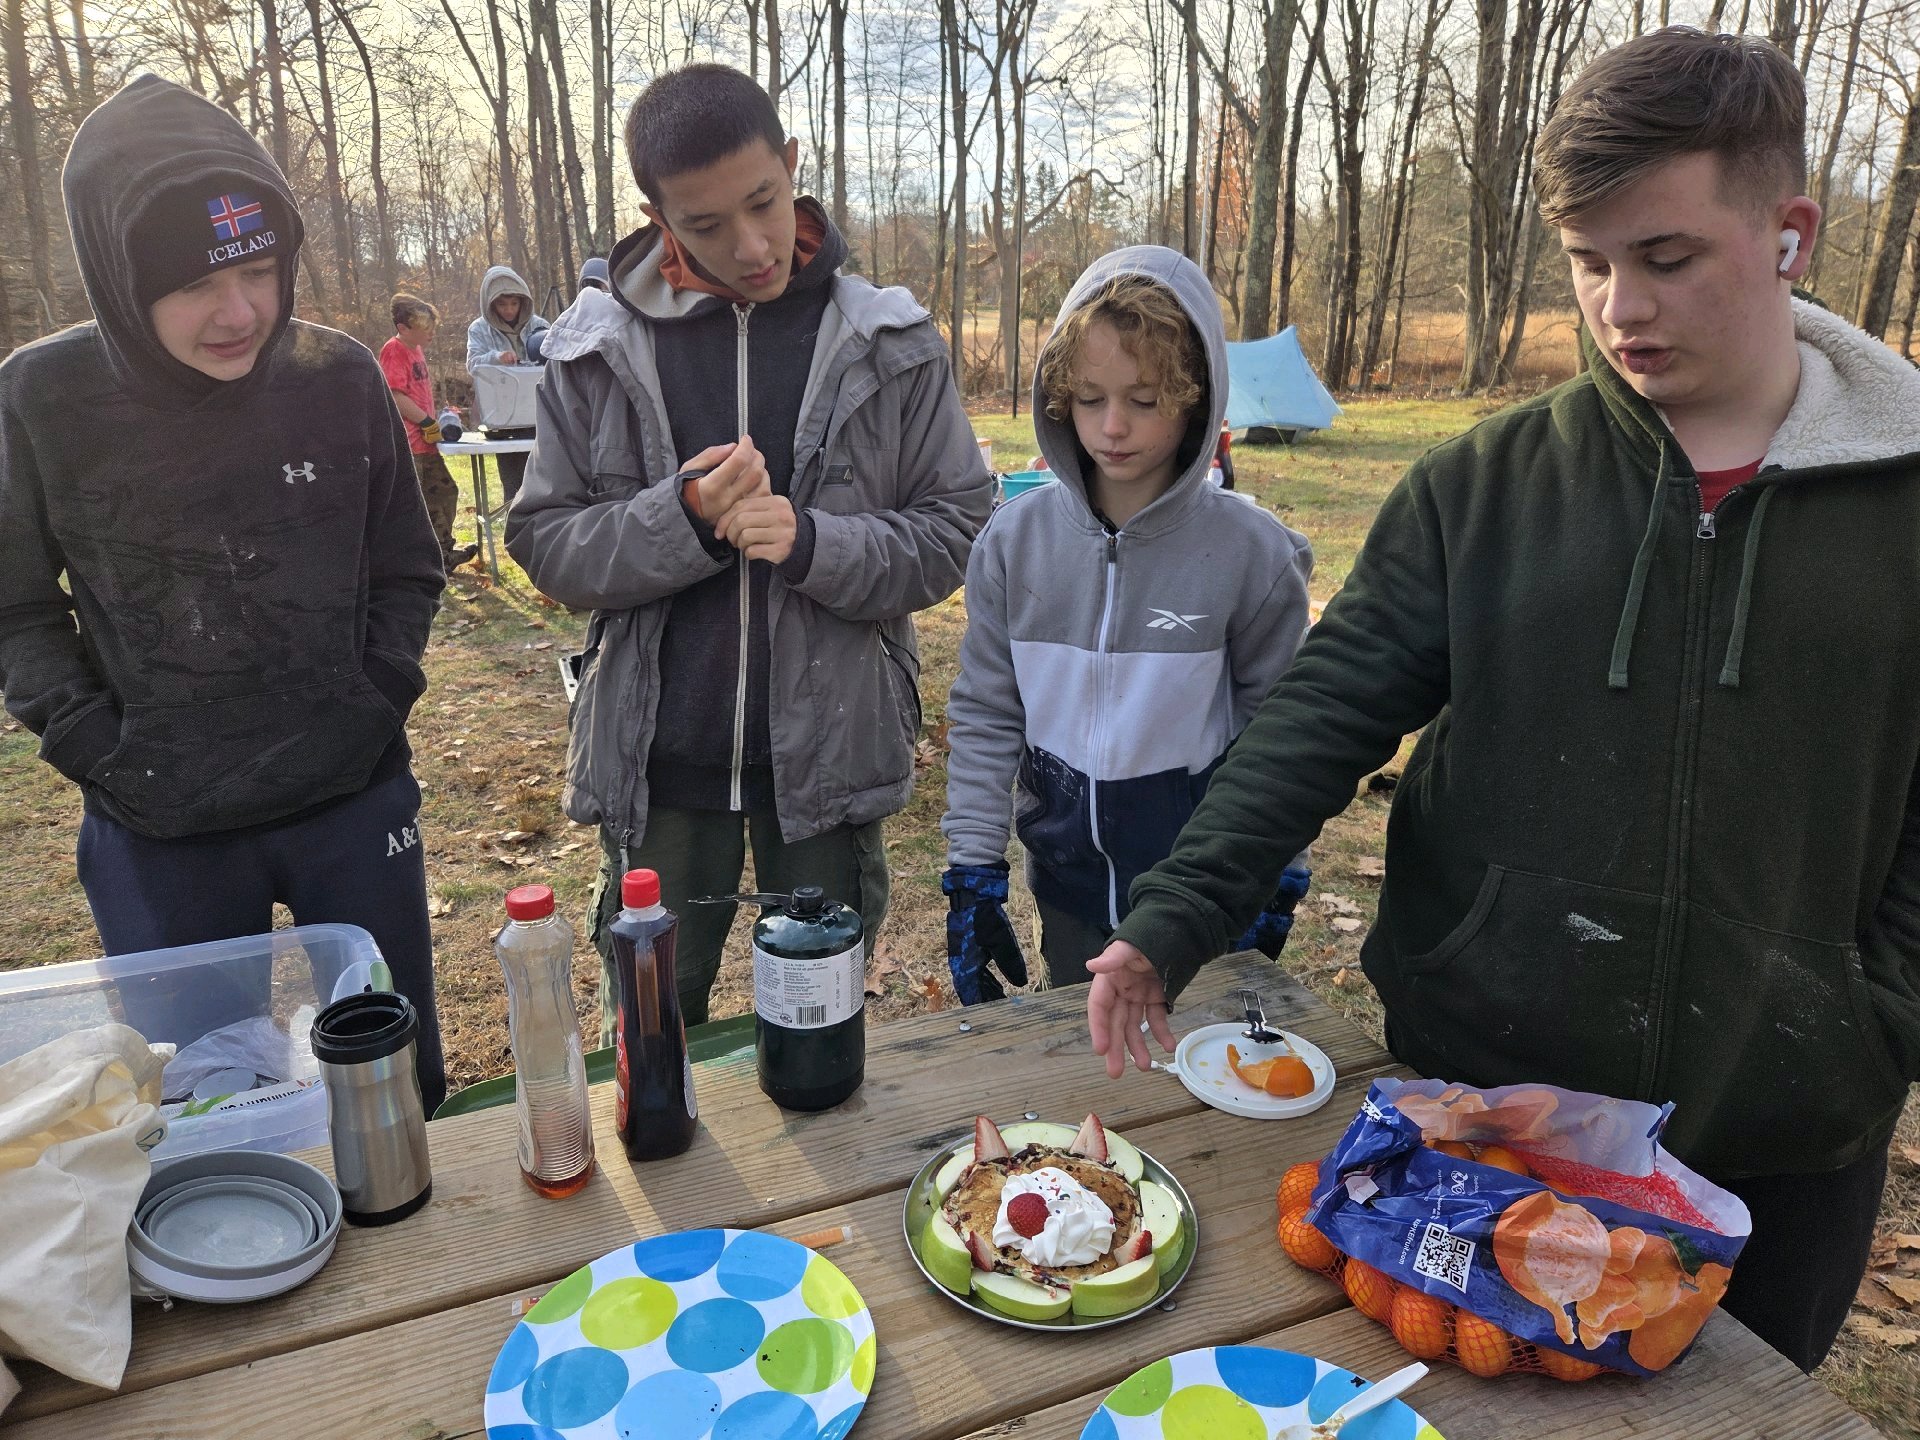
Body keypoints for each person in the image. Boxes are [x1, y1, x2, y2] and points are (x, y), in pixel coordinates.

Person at [1083, 27, 1920, 1373]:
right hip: (1487, 1117)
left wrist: (1877, 1015)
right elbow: (1325, 711)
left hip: (1780, 1145)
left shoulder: (1906, 506)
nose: (1619, 307)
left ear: (1789, 233)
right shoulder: (1483, 492)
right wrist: (1172, 918)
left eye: (1665, 258)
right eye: (1588, 263)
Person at [507, 63, 991, 1039]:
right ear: (656, 213)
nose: (751, 245)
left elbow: (957, 532)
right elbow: (546, 541)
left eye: (763, 203)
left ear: (793, 165)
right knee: (652, 1037)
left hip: (827, 768)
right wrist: (679, 522)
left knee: (822, 1035)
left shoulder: (888, 341)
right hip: (659, 763)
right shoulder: (593, 346)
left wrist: (813, 543)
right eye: (708, 224)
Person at [0, 75, 450, 1113]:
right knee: (206, 1099)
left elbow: (407, 564)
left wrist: (378, 693)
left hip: (352, 793)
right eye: (197, 284)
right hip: (162, 821)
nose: (240, 310)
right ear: (120, 279)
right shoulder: (42, 401)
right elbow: (17, 607)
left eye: (258, 269)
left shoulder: (335, 379)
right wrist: (94, 743)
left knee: (396, 1086)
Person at [940, 249, 1313, 1002]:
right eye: (1088, 399)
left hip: (1200, 892)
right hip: (1068, 881)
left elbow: (1282, 732)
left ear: (1197, 399)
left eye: (1145, 401)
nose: (1112, 428)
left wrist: (1278, 865)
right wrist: (972, 870)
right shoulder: (1013, 545)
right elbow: (986, 713)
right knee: (1092, 1071)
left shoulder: (1255, 555)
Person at [381, 293, 477, 567]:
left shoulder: (417, 349)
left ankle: (443, 554)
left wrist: (441, 414)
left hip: (426, 443)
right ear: (404, 329)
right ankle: (425, 560)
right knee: (420, 505)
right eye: (426, 329)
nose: (432, 333)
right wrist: (426, 422)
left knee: (445, 492)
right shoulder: (393, 350)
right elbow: (396, 396)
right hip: (408, 445)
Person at [465, 265, 549, 506]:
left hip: (539, 415)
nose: (509, 310)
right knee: (513, 484)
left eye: (514, 304)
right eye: (503, 305)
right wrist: (496, 357)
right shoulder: (479, 329)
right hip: (503, 418)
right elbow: (472, 364)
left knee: (543, 481)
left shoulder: (539, 326)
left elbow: (558, 358)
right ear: (491, 305)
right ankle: (515, 530)